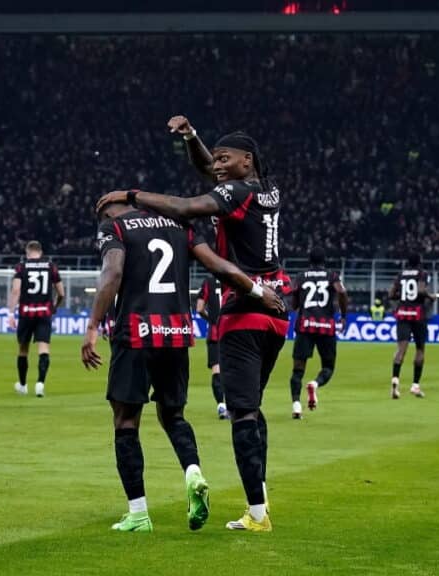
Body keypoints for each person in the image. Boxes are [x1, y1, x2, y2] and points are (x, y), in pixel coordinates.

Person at [96, 115, 290, 532]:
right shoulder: (265, 189)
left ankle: (257, 514)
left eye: (226, 159)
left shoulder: (235, 192)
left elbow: (186, 207)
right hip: (275, 305)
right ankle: (260, 502)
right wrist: (193, 138)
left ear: (246, 160)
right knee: (252, 410)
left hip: (245, 305)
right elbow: (210, 172)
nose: (217, 165)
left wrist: (130, 194)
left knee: (241, 413)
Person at [289, 247, 349, 419]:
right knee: (328, 367)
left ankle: (296, 405)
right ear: (324, 261)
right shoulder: (332, 276)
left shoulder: (301, 276)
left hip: (305, 326)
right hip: (326, 326)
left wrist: (297, 302)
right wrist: (343, 316)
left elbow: (294, 302)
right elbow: (342, 292)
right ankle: (315, 384)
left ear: (310, 261)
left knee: (297, 370)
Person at [9, 240, 65, 398]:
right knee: (44, 348)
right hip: (44, 312)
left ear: (27, 252)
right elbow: (61, 293)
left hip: (26, 313)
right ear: (40, 252)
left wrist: (11, 313)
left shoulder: (21, 267)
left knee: (23, 350)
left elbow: (16, 290)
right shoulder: (50, 266)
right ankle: (40, 384)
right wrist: (55, 306)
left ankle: (23, 385)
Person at [389, 253, 439, 399]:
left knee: (401, 350)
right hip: (417, 314)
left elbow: (391, 294)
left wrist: (403, 296)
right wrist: (432, 297)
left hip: (403, 312)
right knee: (420, 349)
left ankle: (395, 381)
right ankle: (415, 385)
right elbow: (420, 291)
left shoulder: (400, 275)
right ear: (419, 262)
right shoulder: (423, 274)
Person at [195, 275, 227, 419]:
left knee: (216, 369)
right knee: (235, 369)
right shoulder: (234, 274)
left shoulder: (209, 280)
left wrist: (211, 320)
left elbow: (200, 308)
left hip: (215, 332)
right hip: (233, 331)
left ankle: (221, 405)